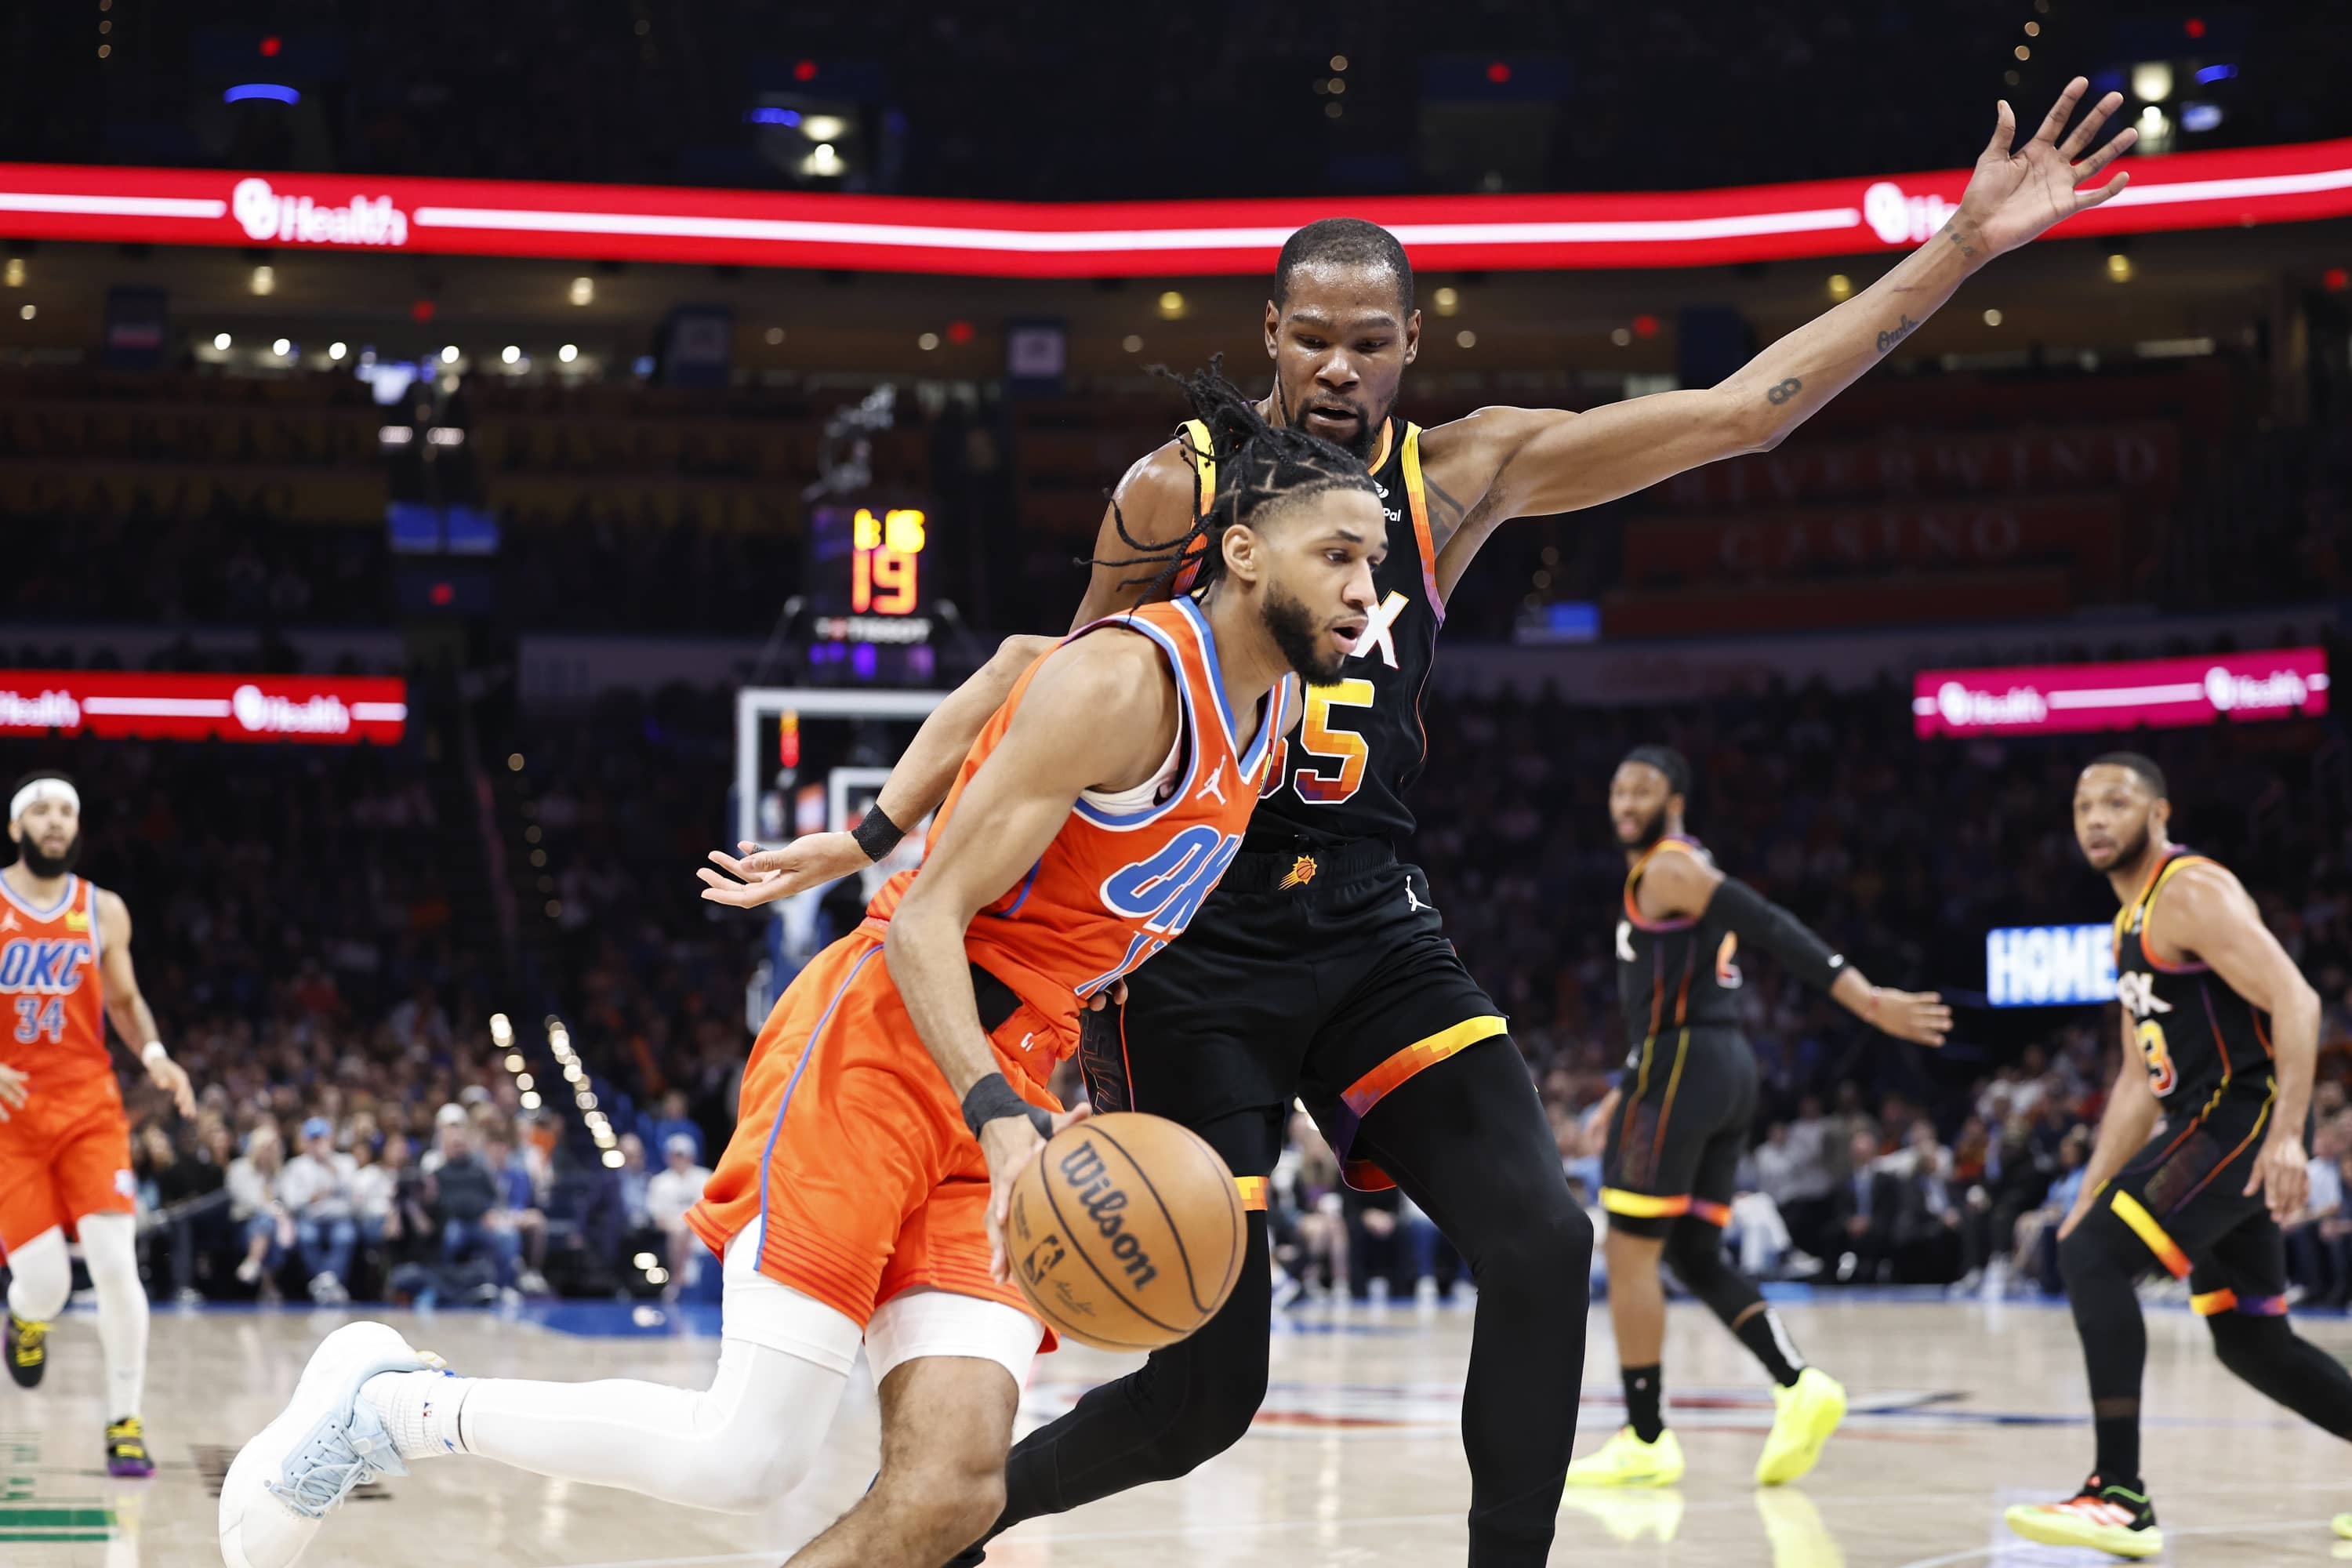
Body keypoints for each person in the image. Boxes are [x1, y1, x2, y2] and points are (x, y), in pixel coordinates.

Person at [702, 80, 2137, 1567]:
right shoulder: (1171, 491)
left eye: (1369, 339)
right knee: (1202, 1398)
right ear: (1269, 335)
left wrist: (1962, 243)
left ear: (1412, 345)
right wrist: (882, 842)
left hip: (1374, 926)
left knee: (1545, 1240)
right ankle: (952, 1525)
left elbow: (1739, 416)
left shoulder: (1456, 478)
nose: (1338, 365)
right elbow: (1042, 704)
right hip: (1188, 949)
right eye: (1310, 336)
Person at [216, 363, 1381, 1568]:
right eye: (1339, 555)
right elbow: (929, 922)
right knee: (748, 1454)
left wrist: (868, 830)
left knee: (952, 1491)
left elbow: (1004, 666)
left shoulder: (1279, 706)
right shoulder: (1128, 680)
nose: (1366, 589)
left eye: (1375, 563)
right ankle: (391, 1411)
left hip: (1015, 1086)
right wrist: (981, 1084)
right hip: (891, 1041)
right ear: (1243, 552)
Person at [1567, 746, 1949, 1488]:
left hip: (1685, 1066)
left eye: (1641, 789)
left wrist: (1866, 998)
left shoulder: (1668, 868)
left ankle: (1646, 1437)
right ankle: (1800, 1384)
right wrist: (1626, 1083)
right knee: (1693, 1253)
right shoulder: (1677, 867)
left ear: (1675, 799)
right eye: (1617, 789)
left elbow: (1769, 923)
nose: (1625, 802)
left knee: (1629, 1248)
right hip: (1716, 1062)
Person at [2005, 754, 2352, 1559]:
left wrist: (2290, 1133)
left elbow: (2297, 998)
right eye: (2083, 803)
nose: (2096, 816)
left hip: (2240, 1115)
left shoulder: (2189, 890)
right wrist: (2091, 1185)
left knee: (2094, 1256)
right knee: (2250, 1339)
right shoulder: (2127, 923)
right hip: (2200, 1120)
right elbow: (2135, 1077)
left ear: (2158, 813)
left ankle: (2118, 1495)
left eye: (2115, 801)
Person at [0, 771, 196, 1477]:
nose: (56, 821)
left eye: (67, 812)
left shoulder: (103, 909)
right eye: (43, 811)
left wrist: (154, 1054)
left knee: (117, 1266)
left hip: (88, 1106)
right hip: (10, 1121)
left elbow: (125, 998)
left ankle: (125, 1422)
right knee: (48, 1285)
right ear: (18, 826)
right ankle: (24, 1319)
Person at [277, 1117, 358, 1305]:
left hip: (339, 1219)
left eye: (321, 1138)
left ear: (330, 1139)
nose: (317, 1144)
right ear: (305, 1141)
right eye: (313, 1139)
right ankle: (330, 1285)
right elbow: (292, 1201)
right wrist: (311, 1197)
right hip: (309, 1219)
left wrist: (332, 1170)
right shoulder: (296, 1166)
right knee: (306, 1237)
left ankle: (324, 1285)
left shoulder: (345, 1162)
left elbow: (353, 1198)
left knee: (345, 1236)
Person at [645, 1132, 712, 1301]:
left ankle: (675, 1282)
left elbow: (709, 1212)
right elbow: (656, 1217)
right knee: (679, 1230)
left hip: (700, 1231)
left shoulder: (705, 1177)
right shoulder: (660, 1182)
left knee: (684, 1229)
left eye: (682, 1155)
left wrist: (688, 1226)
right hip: (671, 1232)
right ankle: (678, 1278)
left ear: (691, 1156)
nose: (679, 1159)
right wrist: (678, 1227)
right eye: (675, 1155)